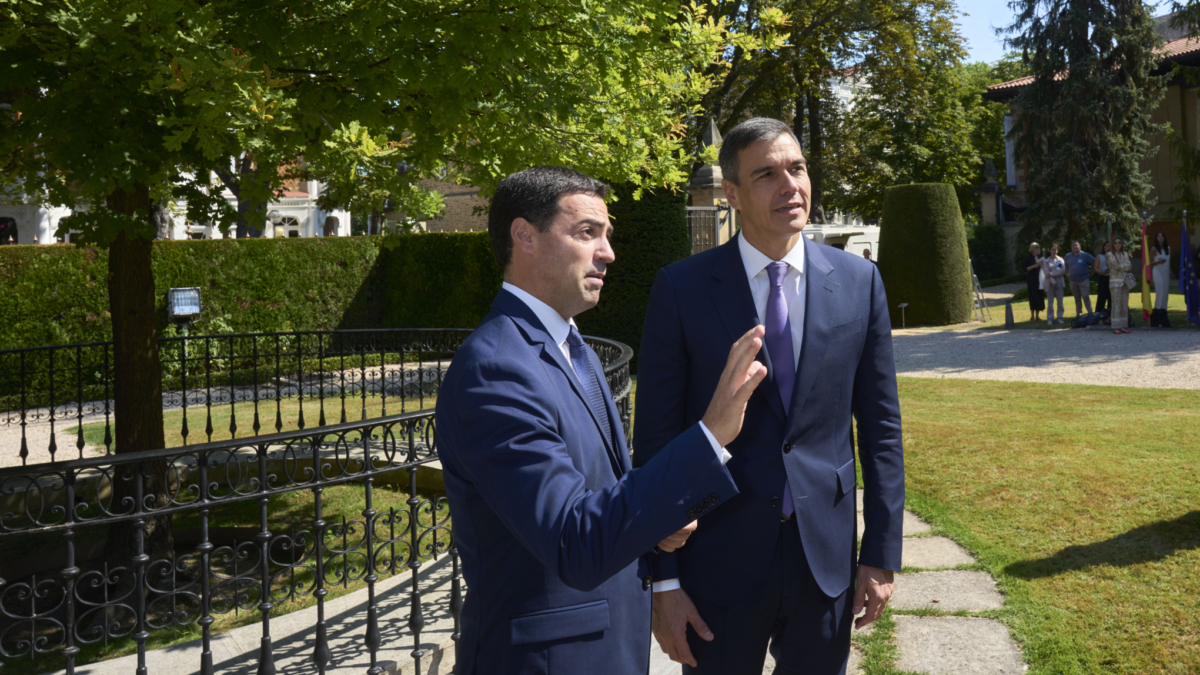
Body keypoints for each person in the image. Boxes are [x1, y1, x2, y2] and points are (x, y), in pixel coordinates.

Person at [434, 166, 770, 675]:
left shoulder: (575, 349)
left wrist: (658, 524)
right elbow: (574, 541)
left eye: (606, 235)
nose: (609, 253)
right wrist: (711, 435)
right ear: (523, 236)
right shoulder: (495, 370)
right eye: (587, 232)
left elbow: (596, 496)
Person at [635, 118, 904, 675]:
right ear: (731, 194)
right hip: (717, 565)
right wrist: (664, 579)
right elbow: (658, 442)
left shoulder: (860, 282)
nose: (790, 185)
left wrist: (879, 555)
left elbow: (881, 430)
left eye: (797, 168)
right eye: (766, 174)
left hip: (824, 564)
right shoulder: (681, 289)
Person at [1108, 237, 1133, 334]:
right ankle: (1115, 326)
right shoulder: (1110, 254)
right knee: (1116, 304)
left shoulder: (1125, 254)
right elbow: (1114, 265)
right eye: (1115, 242)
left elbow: (1130, 266)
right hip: (1115, 282)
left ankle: (1122, 325)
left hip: (1125, 282)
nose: (1117, 244)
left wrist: (1122, 266)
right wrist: (1124, 266)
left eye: (1119, 242)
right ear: (1113, 245)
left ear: (1122, 244)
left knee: (1124, 303)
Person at [1063, 240, 1095, 316]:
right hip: (1073, 280)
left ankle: (1090, 312)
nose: (1075, 247)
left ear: (1080, 247)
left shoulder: (1085, 255)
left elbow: (1094, 261)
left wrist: (1091, 272)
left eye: (1077, 245)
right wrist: (1066, 273)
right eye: (1073, 246)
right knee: (1077, 297)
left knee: (1085, 296)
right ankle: (1079, 313)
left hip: (1083, 279)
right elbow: (1063, 265)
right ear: (1071, 247)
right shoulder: (1067, 256)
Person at [1041, 243, 1067, 324]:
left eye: (1055, 250)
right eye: (1052, 249)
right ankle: (1050, 318)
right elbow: (1046, 273)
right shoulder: (1046, 261)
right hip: (1050, 282)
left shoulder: (1060, 260)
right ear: (1050, 250)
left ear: (1057, 250)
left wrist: (1052, 274)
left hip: (1059, 281)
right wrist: (1053, 281)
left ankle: (1059, 317)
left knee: (1060, 301)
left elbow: (1062, 271)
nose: (1054, 251)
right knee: (1050, 302)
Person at [1024, 243, 1046, 322]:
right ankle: (1032, 316)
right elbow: (1026, 268)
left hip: (1040, 280)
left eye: (1038, 248)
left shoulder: (1040, 257)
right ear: (1033, 249)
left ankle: (1037, 316)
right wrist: (1034, 266)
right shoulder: (1028, 258)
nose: (1038, 249)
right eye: (1036, 248)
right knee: (1033, 296)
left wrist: (1043, 264)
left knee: (1039, 296)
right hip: (1032, 280)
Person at [1150, 231, 1171, 311]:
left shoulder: (1168, 248)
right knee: (1160, 291)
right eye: (1158, 236)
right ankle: (1157, 311)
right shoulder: (1154, 249)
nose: (1160, 237)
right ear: (1156, 238)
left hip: (1165, 272)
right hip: (1157, 271)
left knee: (1165, 293)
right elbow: (1150, 262)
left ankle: (1164, 311)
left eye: (1162, 236)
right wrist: (1158, 262)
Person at [1093, 241, 1112, 315]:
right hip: (1103, 278)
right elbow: (1095, 268)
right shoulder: (1099, 256)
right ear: (1104, 247)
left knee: (1111, 297)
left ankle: (1110, 314)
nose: (1108, 248)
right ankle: (1099, 314)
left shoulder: (1114, 256)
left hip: (1111, 278)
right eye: (1106, 246)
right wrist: (1101, 272)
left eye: (1109, 246)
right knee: (1101, 297)